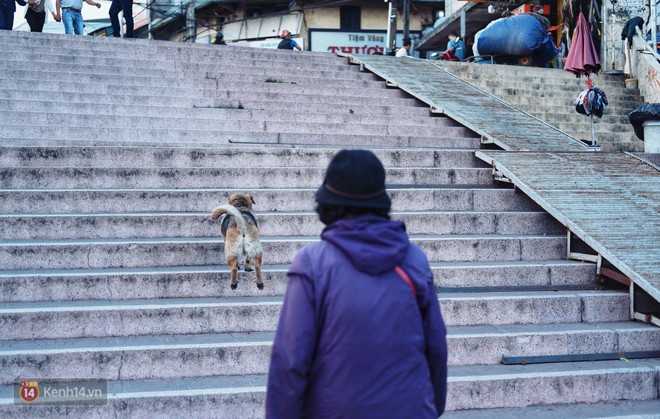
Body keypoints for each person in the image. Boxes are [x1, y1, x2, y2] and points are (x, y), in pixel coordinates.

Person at [266, 149, 448, 419]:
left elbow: (290, 361)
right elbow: (436, 348)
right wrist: (432, 407)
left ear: (328, 202)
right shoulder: (414, 261)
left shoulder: (312, 264)